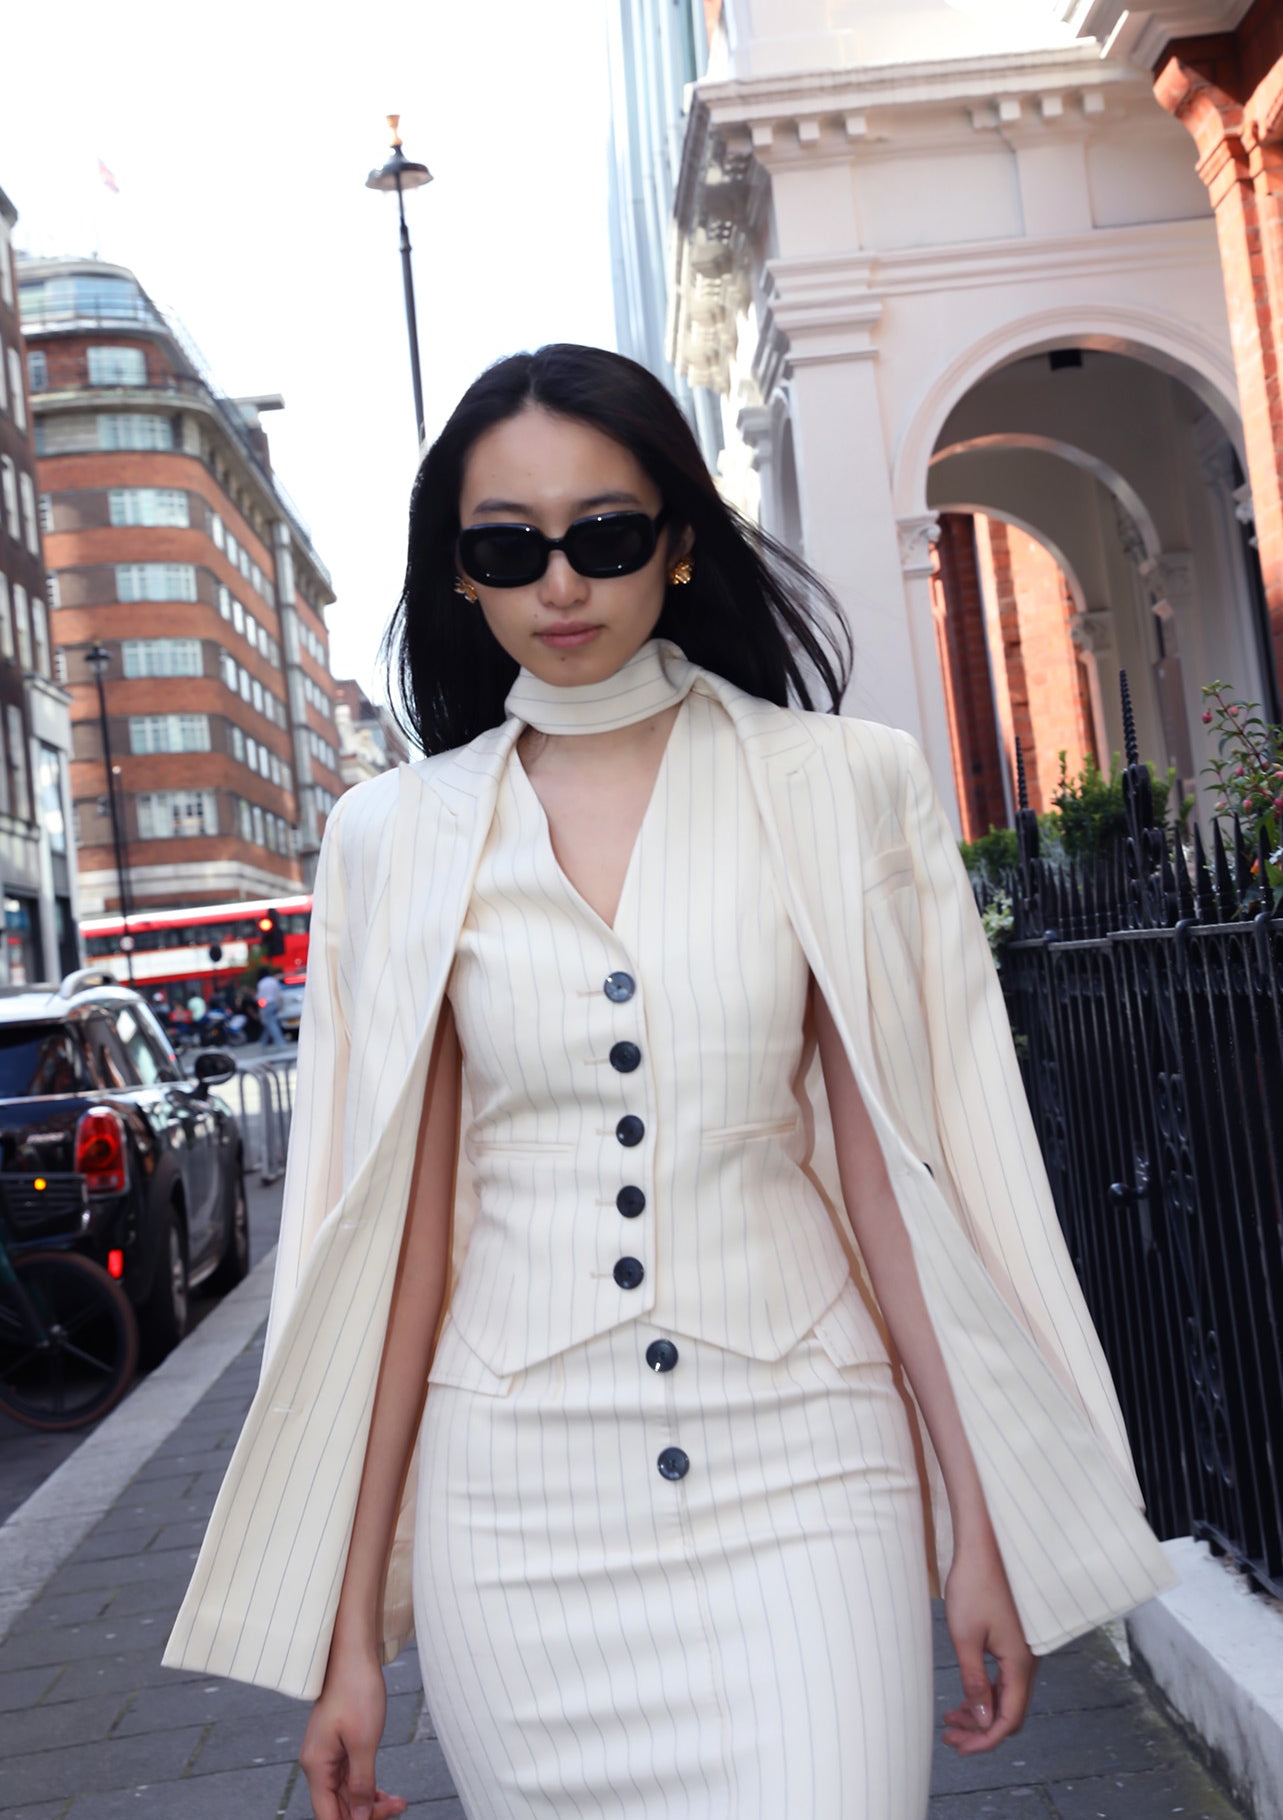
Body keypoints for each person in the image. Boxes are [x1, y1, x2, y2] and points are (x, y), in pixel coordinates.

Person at [165, 345, 1174, 1820]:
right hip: (511, 1515)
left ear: (678, 543)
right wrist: (346, 1645)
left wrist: (982, 1522)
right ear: (459, 574)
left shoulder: (837, 783)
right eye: (506, 546)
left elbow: (904, 1183)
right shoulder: (393, 836)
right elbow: (392, 1251)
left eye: (606, 535)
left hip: (806, 1477)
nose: (558, 583)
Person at [255, 969, 286, 1049]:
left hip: (266, 1004)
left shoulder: (261, 983)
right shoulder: (273, 981)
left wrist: (261, 1008)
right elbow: (278, 993)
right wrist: (280, 1004)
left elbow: (260, 997)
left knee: (271, 1024)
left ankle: (280, 1043)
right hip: (274, 1003)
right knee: (269, 1023)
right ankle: (263, 1043)